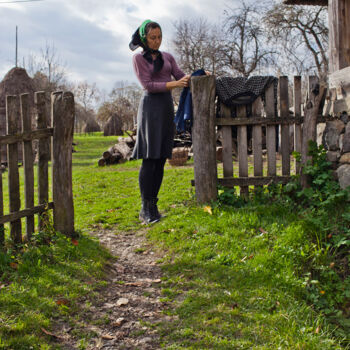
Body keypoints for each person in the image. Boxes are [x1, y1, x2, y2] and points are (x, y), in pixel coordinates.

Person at [129, 19, 190, 224]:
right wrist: (175, 83)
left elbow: (182, 76)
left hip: (165, 109)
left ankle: (154, 205)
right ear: (145, 38)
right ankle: (144, 209)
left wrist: (198, 75)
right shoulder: (138, 59)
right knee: (150, 158)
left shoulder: (168, 57)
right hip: (149, 110)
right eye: (153, 38)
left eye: (159, 37)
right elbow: (148, 85)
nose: (157, 41)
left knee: (162, 158)